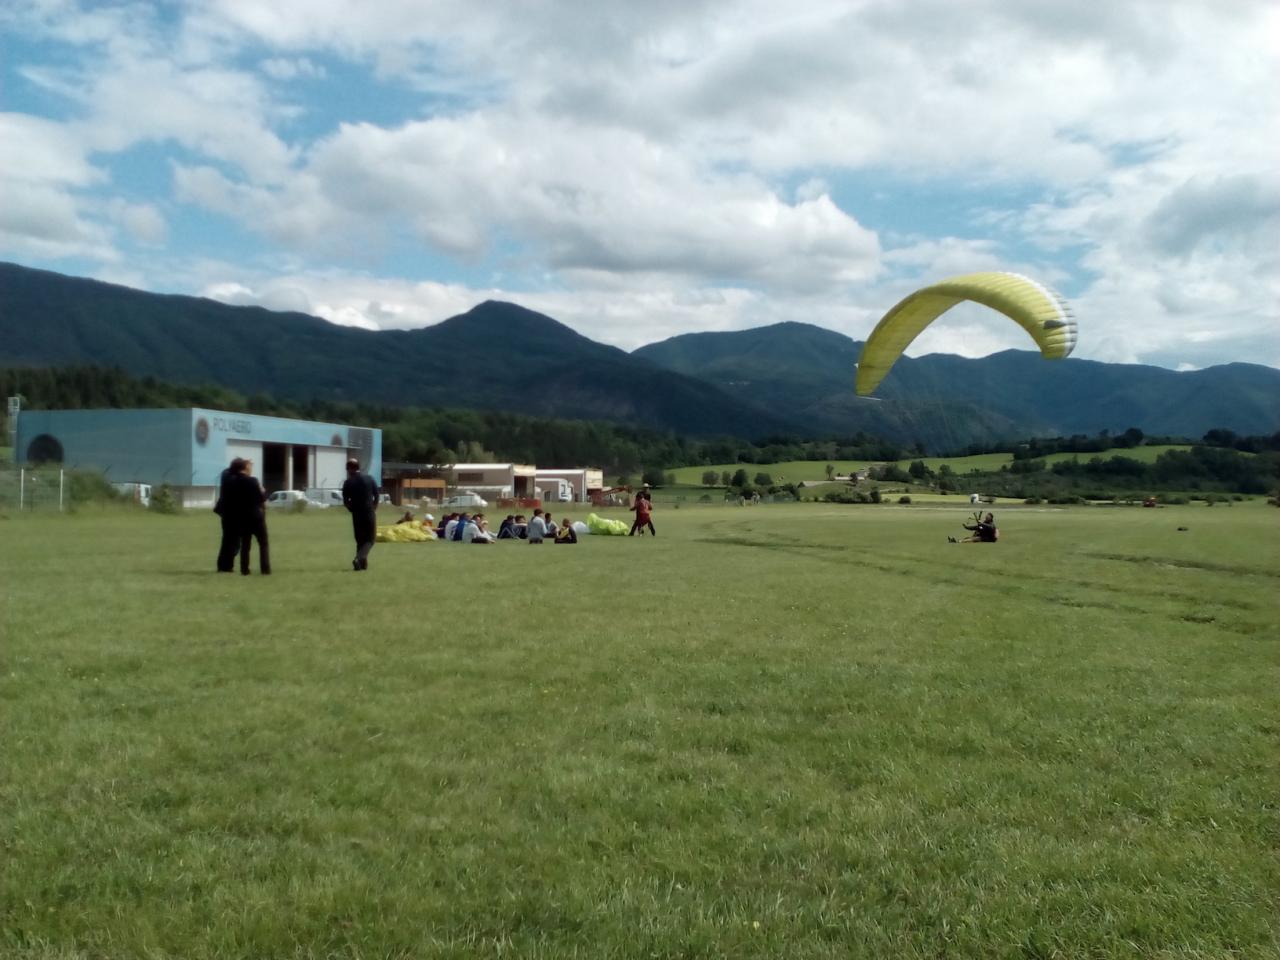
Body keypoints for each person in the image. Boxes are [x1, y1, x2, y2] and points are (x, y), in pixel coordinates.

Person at [225, 458, 269, 575]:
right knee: (263, 543)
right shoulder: (253, 481)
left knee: (245, 545)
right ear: (245, 467)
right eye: (249, 466)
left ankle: (245, 570)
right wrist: (263, 490)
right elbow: (262, 498)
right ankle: (265, 569)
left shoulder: (232, 482)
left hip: (242, 517)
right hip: (256, 515)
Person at [342, 458, 379, 570]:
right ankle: (359, 559)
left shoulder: (348, 482)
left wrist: (352, 510)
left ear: (350, 469)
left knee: (360, 540)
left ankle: (361, 565)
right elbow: (376, 496)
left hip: (356, 515)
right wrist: (374, 508)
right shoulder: (369, 478)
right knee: (370, 540)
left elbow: (346, 501)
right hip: (369, 512)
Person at [213, 457, 243, 572]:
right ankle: (227, 566)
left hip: (225, 513)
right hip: (234, 514)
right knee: (234, 542)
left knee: (227, 540)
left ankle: (223, 566)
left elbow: (231, 470)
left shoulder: (226, 474)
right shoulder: (236, 479)